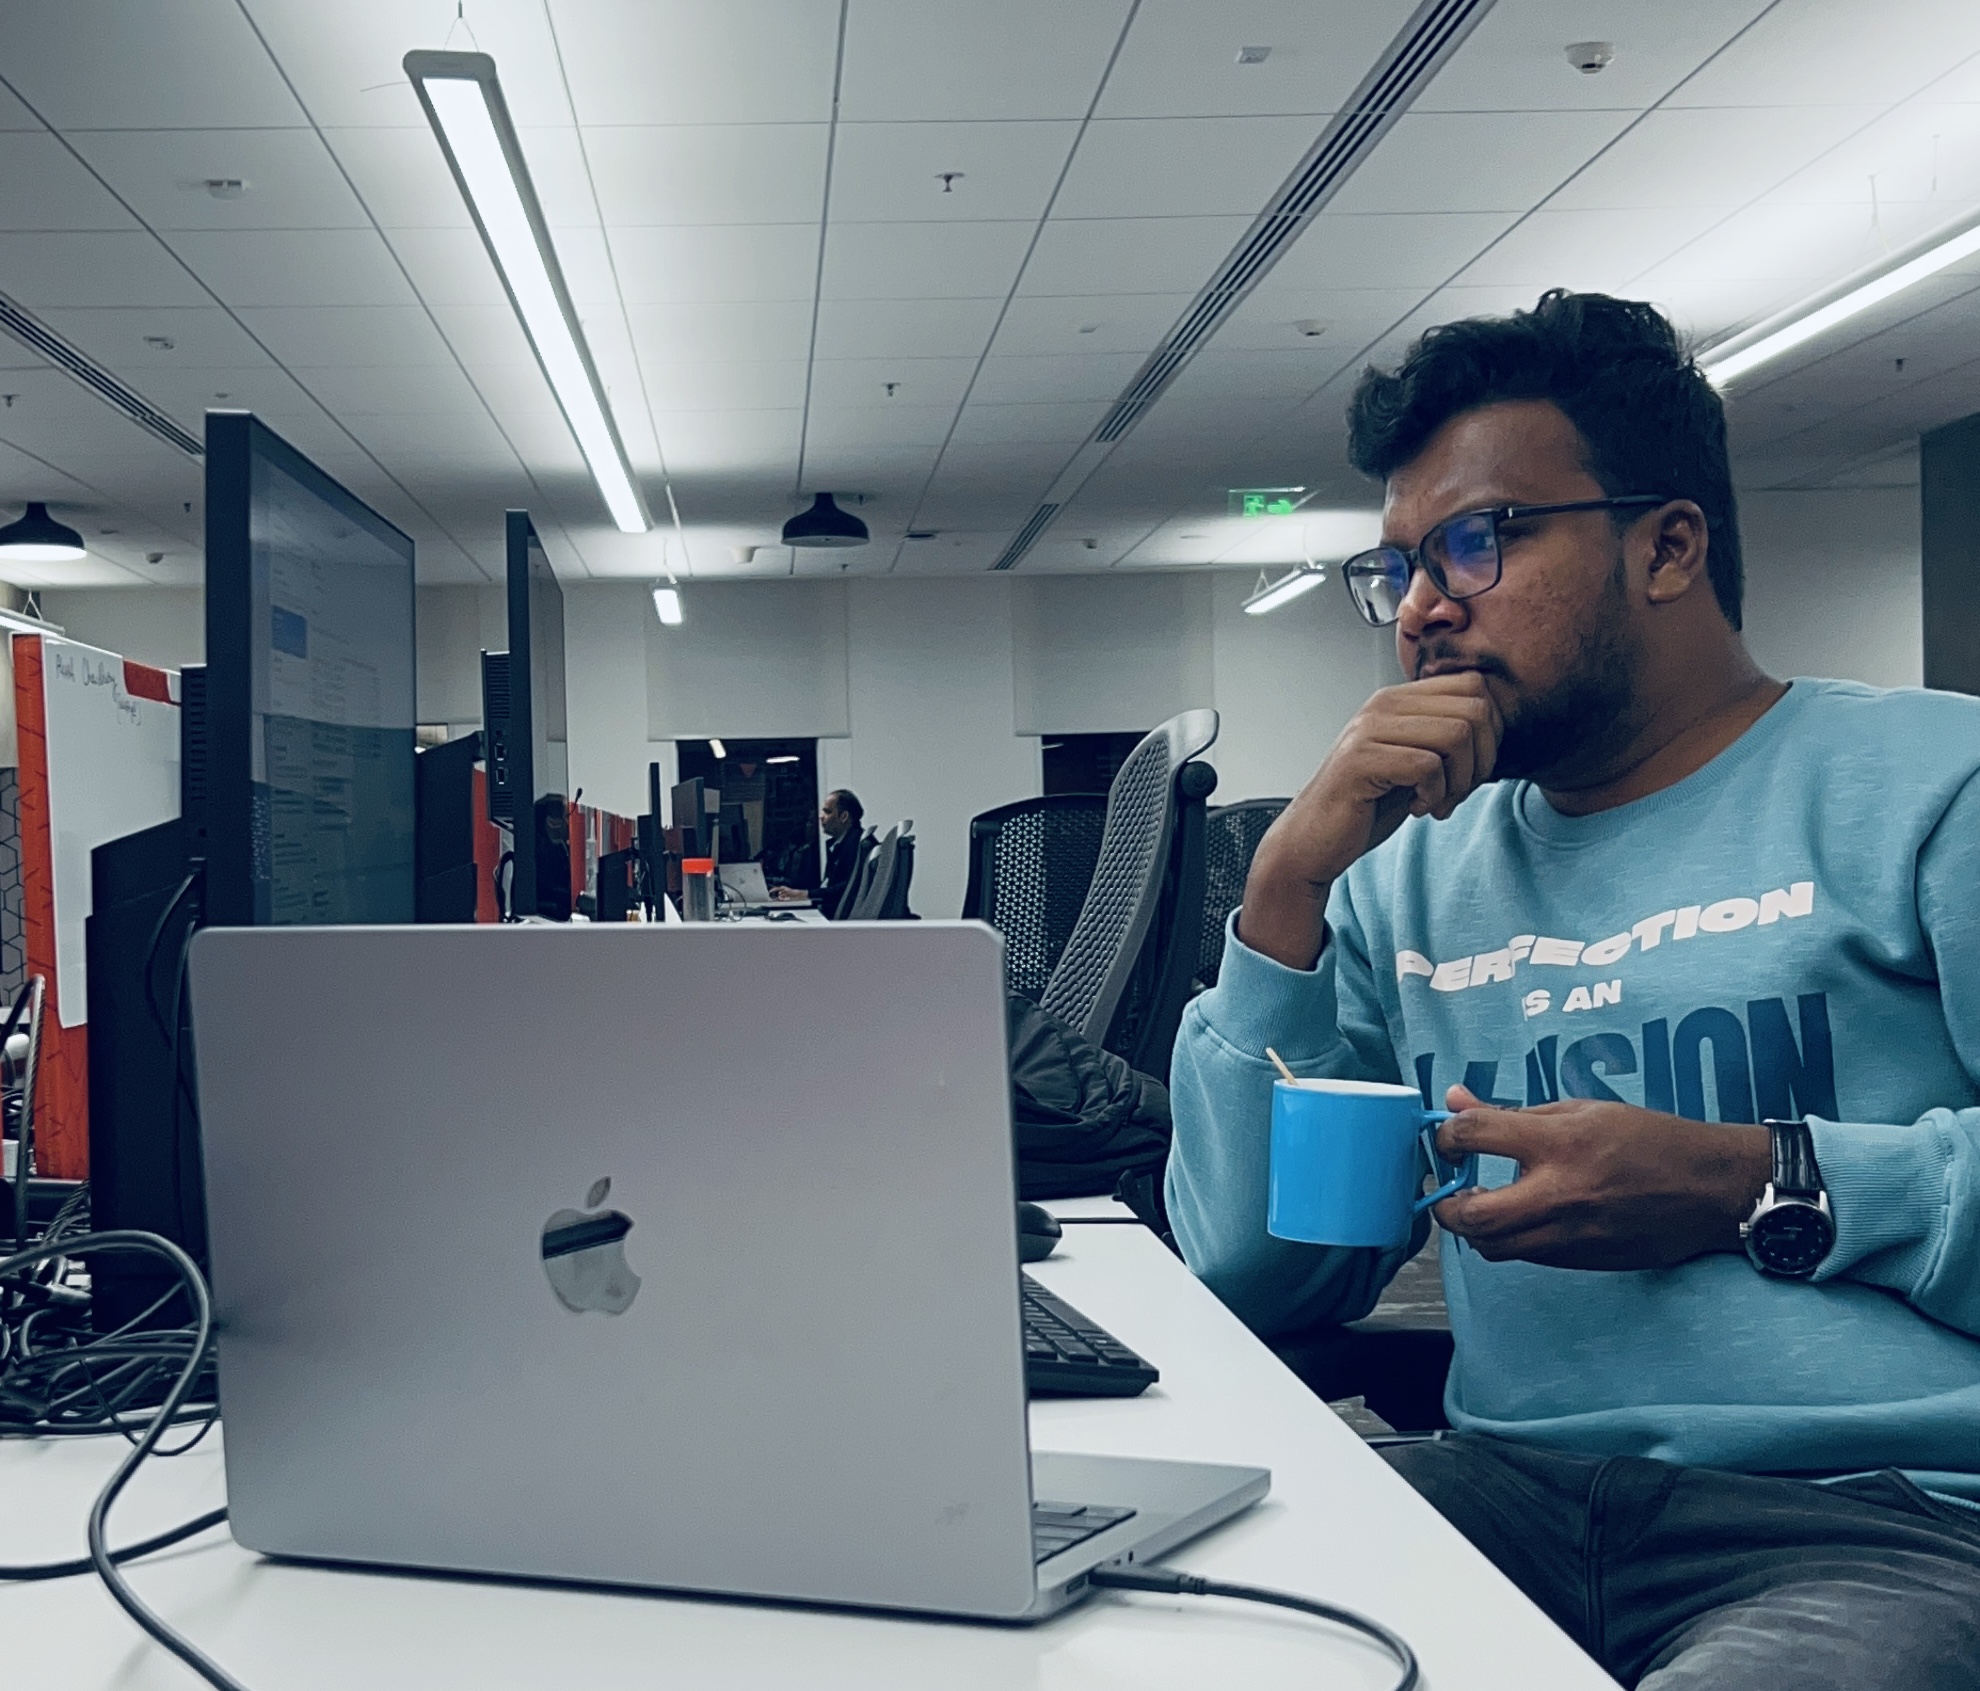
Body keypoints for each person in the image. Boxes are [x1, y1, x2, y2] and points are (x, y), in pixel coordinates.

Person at [1167, 291, 1980, 1689]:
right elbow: (1256, 1270)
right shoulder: (1399, 876)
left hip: (1874, 1517)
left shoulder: (1932, 786)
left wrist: (1756, 1176)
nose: (1421, 606)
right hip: (1503, 1493)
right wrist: (1286, 890)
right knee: (1136, 1636)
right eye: (1402, 564)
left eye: (1477, 542)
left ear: (1666, 545)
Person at [801, 788, 865, 917]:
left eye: (827, 811)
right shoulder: (840, 844)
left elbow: (848, 887)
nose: (820, 816)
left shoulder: (857, 844)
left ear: (844, 816)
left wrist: (805, 894)